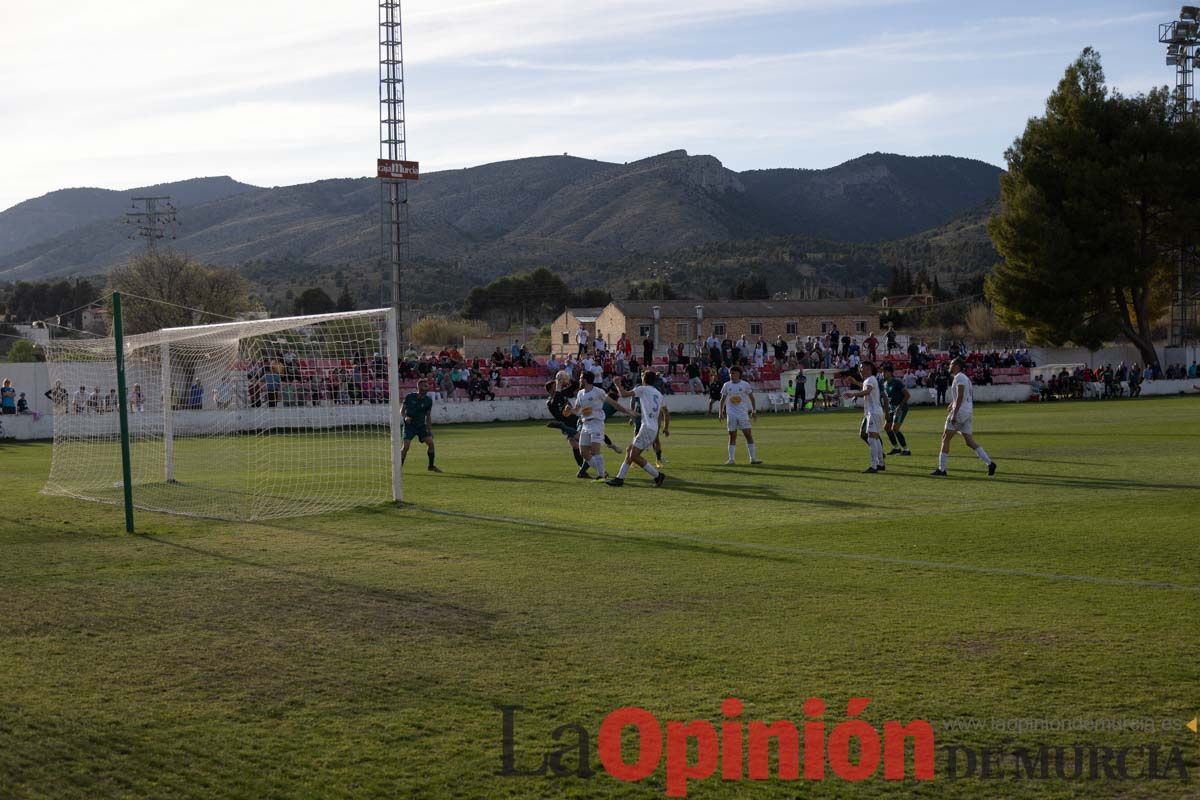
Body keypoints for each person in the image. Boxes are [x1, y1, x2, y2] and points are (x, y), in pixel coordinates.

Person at [931, 357, 996, 477]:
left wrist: (954, 413)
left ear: (956, 366)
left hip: (960, 412)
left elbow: (960, 396)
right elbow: (963, 395)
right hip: (967, 411)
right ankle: (990, 463)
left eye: (951, 364)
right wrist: (952, 403)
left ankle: (942, 469)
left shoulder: (959, 377)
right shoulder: (964, 378)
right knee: (969, 441)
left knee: (945, 438)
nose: (949, 366)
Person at [607, 371, 668, 487]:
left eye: (642, 375)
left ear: (644, 379)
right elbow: (664, 412)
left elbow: (623, 394)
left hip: (647, 428)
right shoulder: (659, 394)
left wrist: (617, 384)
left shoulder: (642, 389)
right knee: (630, 450)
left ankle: (657, 476)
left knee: (633, 456)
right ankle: (619, 478)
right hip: (652, 428)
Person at [573, 371, 631, 481]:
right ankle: (602, 472)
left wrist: (627, 412)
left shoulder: (598, 391)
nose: (579, 380)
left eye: (580, 378)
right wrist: (569, 410)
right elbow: (576, 410)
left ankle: (602, 475)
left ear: (585, 380)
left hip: (596, 423)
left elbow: (613, 403)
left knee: (595, 451)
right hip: (585, 424)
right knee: (583, 452)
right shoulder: (580, 393)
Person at [843, 361, 886, 473]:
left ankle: (874, 466)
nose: (860, 370)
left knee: (871, 438)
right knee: (875, 438)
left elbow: (867, 391)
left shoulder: (870, 379)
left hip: (873, 412)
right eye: (860, 368)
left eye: (862, 368)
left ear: (869, 368)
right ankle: (881, 464)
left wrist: (853, 394)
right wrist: (855, 382)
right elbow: (865, 387)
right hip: (875, 412)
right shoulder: (870, 380)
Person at [719, 365, 761, 465]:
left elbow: (752, 398)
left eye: (733, 373)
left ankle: (753, 458)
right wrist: (720, 413)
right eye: (730, 373)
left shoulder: (745, 384)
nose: (731, 375)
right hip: (731, 414)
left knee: (748, 435)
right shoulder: (726, 385)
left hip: (743, 414)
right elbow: (722, 400)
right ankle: (731, 459)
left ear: (738, 374)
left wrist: (754, 410)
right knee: (732, 436)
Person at [401, 378, 441, 472]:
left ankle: (431, 466)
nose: (427, 386)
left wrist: (429, 430)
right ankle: (398, 468)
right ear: (419, 387)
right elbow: (402, 410)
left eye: (427, 385)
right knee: (406, 446)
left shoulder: (428, 400)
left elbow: (428, 416)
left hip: (421, 426)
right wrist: (405, 417)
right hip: (409, 426)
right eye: (425, 385)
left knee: (430, 443)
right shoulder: (410, 397)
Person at [879, 363, 911, 455]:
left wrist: (899, 407)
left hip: (901, 408)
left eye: (884, 371)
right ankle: (896, 448)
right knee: (887, 427)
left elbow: (907, 395)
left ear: (890, 373)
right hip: (891, 408)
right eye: (882, 372)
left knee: (895, 428)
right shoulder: (885, 384)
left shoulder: (897, 382)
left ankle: (906, 450)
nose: (882, 373)